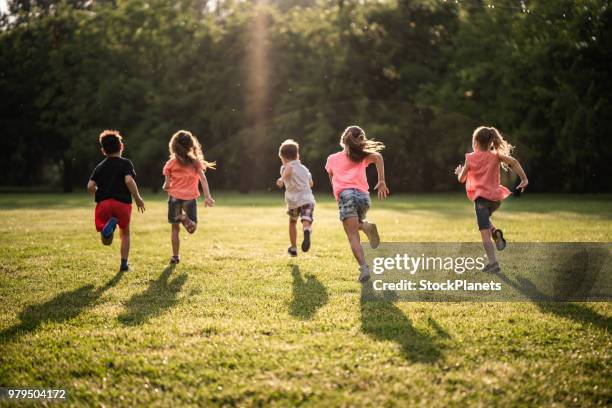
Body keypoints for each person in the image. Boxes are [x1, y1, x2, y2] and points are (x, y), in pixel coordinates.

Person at [455, 126, 528, 273]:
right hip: (495, 199)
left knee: (483, 232)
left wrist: (459, 171)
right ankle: (495, 233)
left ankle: (493, 263)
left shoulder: (470, 158)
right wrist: (524, 179)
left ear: (475, 142)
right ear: (490, 143)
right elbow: (513, 161)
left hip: (481, 200)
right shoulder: (496, 155)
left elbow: (461, 179)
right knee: (486, 221)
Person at [325, 125, 389, 282]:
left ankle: (364, 268)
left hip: (346, 196)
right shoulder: (362, 156)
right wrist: (381, 181)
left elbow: (332, 178)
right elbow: (379, 157)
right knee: (356, 225)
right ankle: (366, 226)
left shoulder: (332, 159)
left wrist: (337, 194)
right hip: (363, 197)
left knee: (352, 235)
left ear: (343, 140)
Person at [87, 130, 146, 272]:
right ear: (121, 146)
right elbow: (128, 180)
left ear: (103, 151)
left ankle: (108, 227)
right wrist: (138, 198)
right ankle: (124, 264)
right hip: (122, 204)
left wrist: (98, 195)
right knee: (125, 233)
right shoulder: (126, 163)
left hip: (104, 204)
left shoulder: (100, 167)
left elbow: (90, 186)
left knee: (106, 241)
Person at [162, 130, 215, 264]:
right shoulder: (195, 162)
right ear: (191, 145)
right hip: (190, 199)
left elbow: (167, 185)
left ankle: (175, 256)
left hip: (174, 198)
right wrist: (208, 197)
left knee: (175, 228)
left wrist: (166, 186)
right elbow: (203, 179)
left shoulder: (170, 163)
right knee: (193, 228)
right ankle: (184, 217)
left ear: (173, 146)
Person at [276, 139, 316, 256]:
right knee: (306, 221)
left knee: (292, 222)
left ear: (282, 157)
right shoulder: (304, 169)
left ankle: (293, 248)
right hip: (307, 199)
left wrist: (281, 179)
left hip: (293, 201)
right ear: (297, 155)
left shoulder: (285, 167)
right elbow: (311, 183)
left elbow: (289, 169)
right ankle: (307, 231)